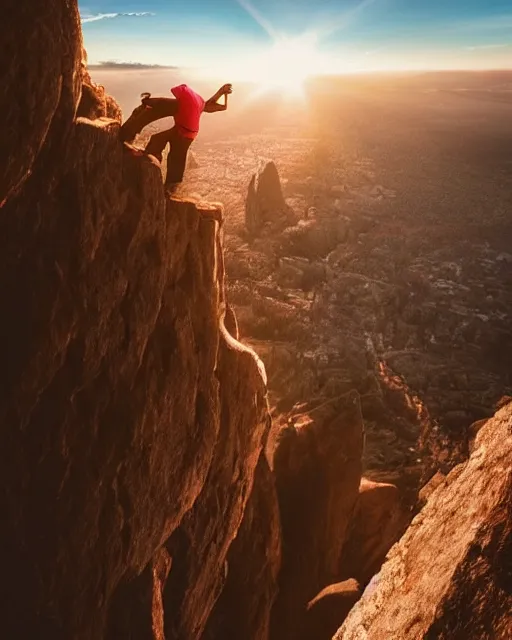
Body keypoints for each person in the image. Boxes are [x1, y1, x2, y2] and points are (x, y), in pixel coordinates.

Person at [120, 83, 232, 193]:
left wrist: (146, 101)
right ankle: (172, 185)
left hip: (180, 130)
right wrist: (222, 92)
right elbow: (210, 105)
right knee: (177, 157)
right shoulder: (197, 103)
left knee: (158, 140)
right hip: (190, 134)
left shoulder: (180, 103)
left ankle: (150, 161)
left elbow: (160, 103)